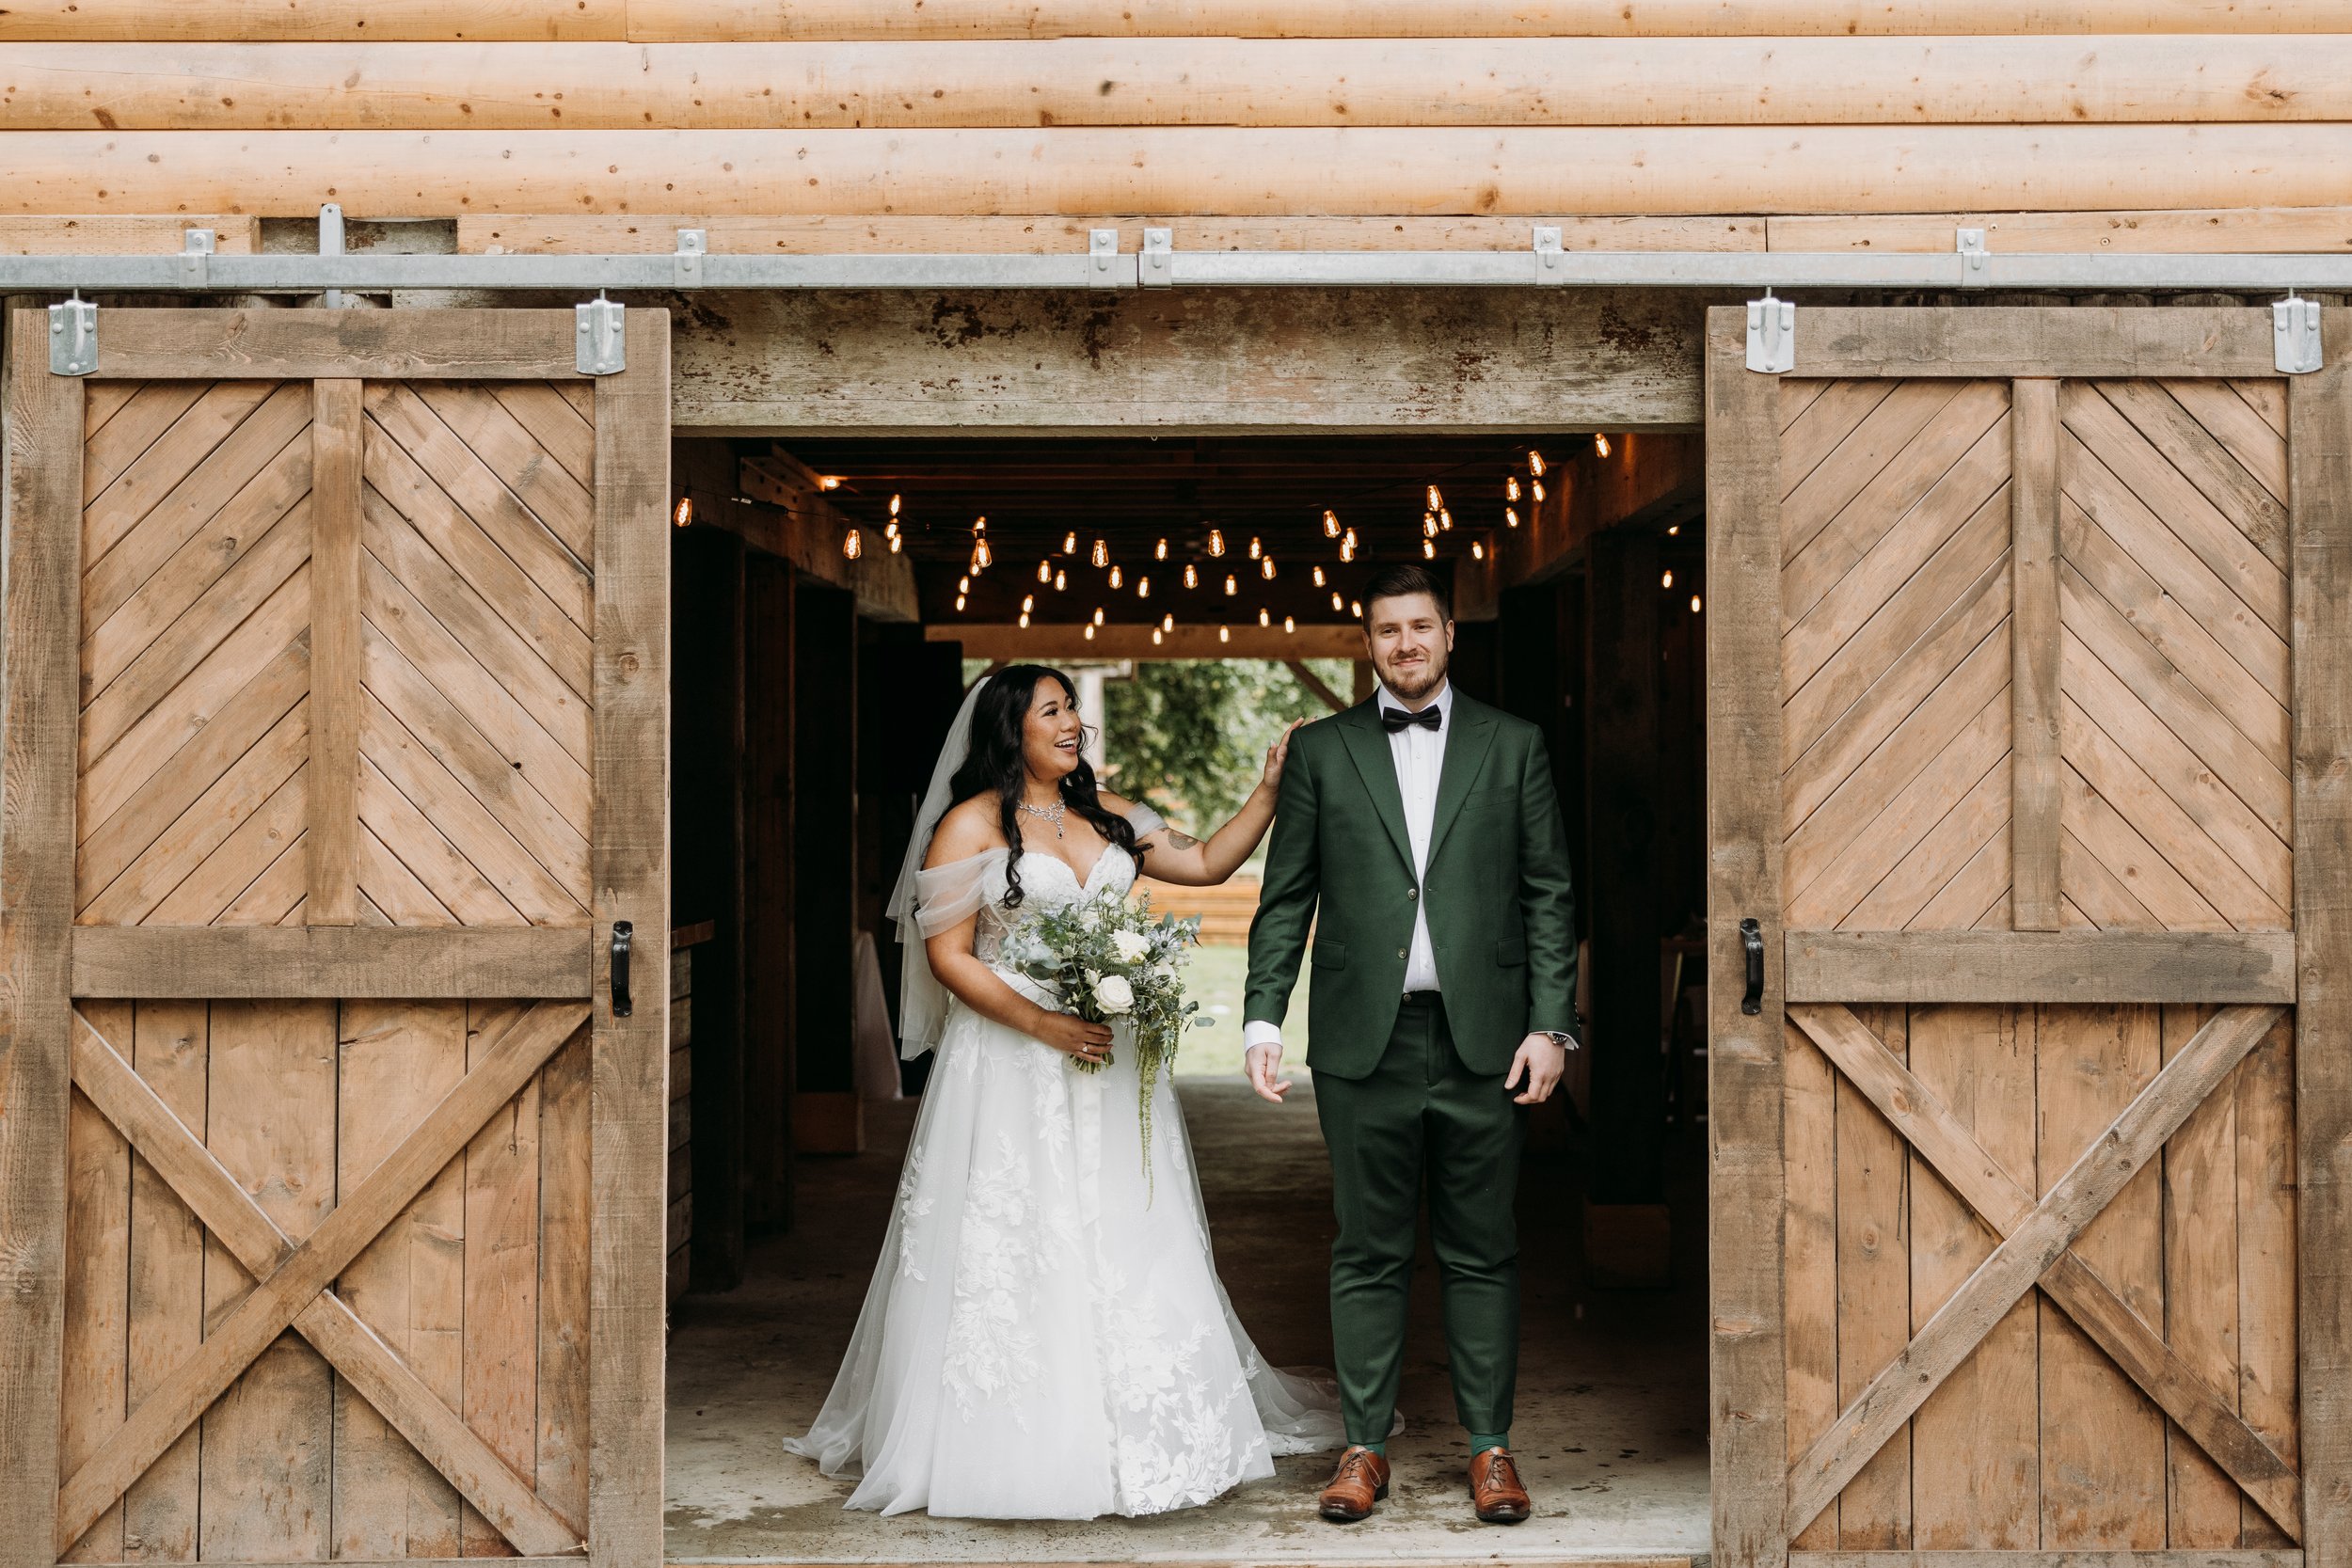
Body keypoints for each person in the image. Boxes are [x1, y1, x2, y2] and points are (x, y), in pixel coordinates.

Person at [784, 664, 1344, 1519]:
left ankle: (1142, 1427)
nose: (1073, 721)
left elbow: (1202, 862)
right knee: (1022, 1234)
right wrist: (1043, 1024)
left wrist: (1267, 788)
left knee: (1123, 1226)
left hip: (1108, 1066)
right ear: (1013, 728)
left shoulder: (1102, 809)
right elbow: (949, 957)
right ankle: (1023, 1438)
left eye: (1072, 706)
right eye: (1053, 709)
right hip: (1012, 1066)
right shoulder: (969, 824)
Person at [1242, 563, 1579, 1527]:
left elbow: (1549, 891)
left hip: (1486, 1039)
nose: (1405, 644)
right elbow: (1286, 895)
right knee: (1366, 1249)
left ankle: (1489, 1448)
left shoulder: (1514, 745)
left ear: (1449, 633)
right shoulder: (1322, 750)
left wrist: (1552, 1023)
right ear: (1367, 642)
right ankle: (1361, 1447)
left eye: (1420, 626)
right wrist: (1265, 1012)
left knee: (1482, 1249)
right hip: (1362, 1041)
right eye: (1386, 630)